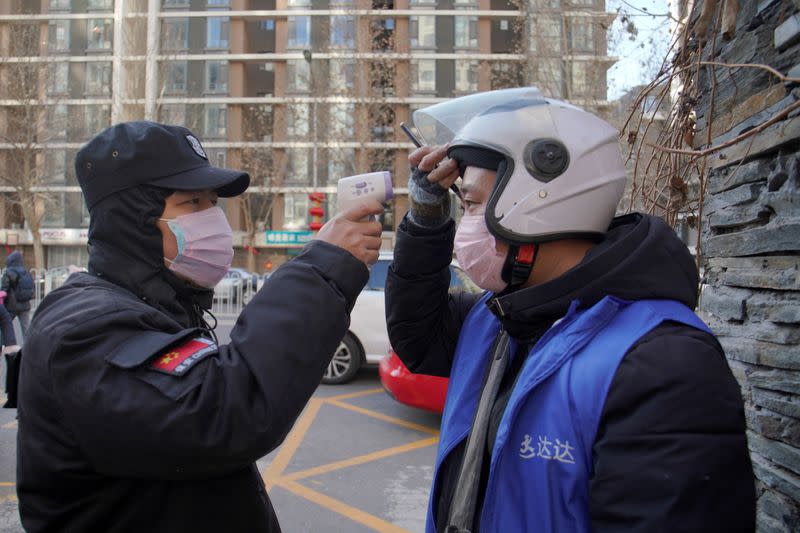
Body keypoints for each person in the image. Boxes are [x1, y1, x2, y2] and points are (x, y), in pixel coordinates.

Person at [385, 88, 755, 532]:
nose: (466, 225)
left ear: (537, 204)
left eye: (472, 205)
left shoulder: (664, 365)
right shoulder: (501, 319)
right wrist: (426, 217)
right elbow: (416, 336)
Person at [16, 121, 384, 532]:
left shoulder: (157, 305)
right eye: (192, 203)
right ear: (133, 222)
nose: (212, 219)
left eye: (213, 203)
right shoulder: (83, 328)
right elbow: (226, 413)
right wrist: (322, 268)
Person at [1, 250, 34, 338]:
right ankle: (28, 349)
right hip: (26, 305)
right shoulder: (26, 272)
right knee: (26, 328)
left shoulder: (8, 272)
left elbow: (4, 289)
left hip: (11, 306)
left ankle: (4, 346)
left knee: (4, 326)